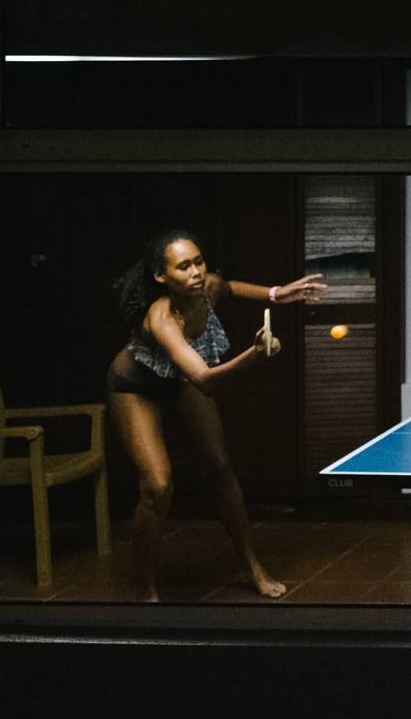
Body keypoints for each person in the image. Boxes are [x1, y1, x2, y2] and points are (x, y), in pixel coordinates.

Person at [105, 229, 326, 602]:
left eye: (198, 262)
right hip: (137, 388)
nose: (196, 272)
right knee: (158, 487)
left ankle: (252, 565)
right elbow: (205, 380)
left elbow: (231, 287)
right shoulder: (161, 317)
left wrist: (277, 293)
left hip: (178, 381)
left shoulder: (207, 286)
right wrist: (255, 354)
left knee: (220, 468)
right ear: (160, 276)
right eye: (183, 267)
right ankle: (145, 590)